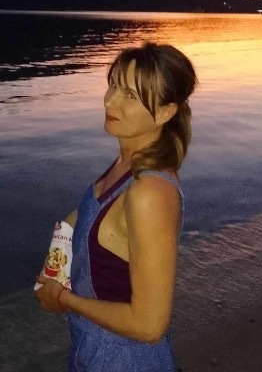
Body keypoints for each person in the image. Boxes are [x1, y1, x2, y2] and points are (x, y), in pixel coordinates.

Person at [35, 42, 198, 371]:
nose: (110, 101)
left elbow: (149, 326)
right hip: (92, 350)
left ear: (165, 113)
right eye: (113, 85)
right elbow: (93, 214)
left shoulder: (149, 193)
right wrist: (57, 260)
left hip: (124, 360)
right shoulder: (128, 163)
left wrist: (63, 298)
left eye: (130, 96)